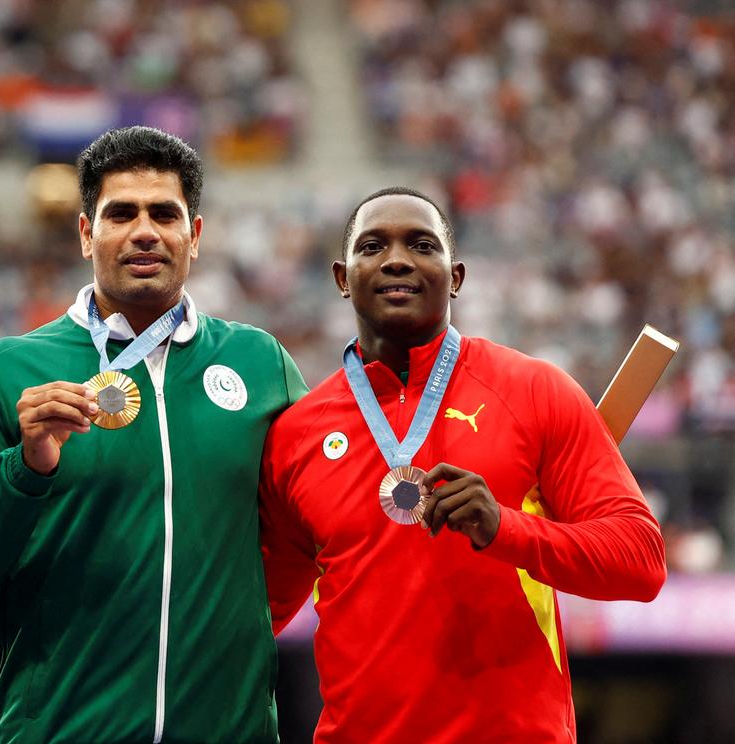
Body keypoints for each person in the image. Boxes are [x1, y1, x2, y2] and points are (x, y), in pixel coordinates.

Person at [0, 126, 307, 744]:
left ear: (196, 235)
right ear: (85, 233)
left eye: (165, 213)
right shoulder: (8, 371)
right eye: (120, 213)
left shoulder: (260, 364)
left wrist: (245, 630)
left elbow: (313, 528)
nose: (145, 230)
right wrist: (25, 469)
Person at [258, 187, 667, 743]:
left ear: (455, 276)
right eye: (373, 245)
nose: (397, 258)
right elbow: (260, 615)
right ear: (341, 277)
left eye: (421, 245)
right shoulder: (294, 435)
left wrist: (507, 528)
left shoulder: (535, 391)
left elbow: (640, 561)